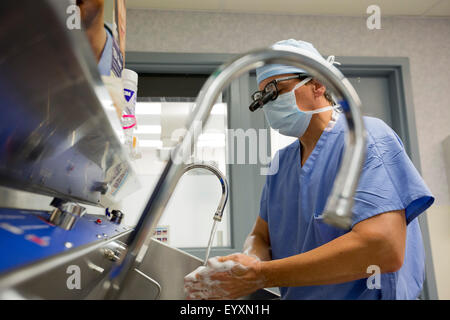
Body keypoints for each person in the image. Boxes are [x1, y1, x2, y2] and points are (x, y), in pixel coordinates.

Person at [184, 39, 435, 300]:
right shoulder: (281, 164)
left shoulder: (365, 137)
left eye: (276, 90)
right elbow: (260, 235)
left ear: (317, 84)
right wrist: (248, 261)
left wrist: (263, 275)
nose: (269, 104)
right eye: (263, 98)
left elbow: (382, 248)